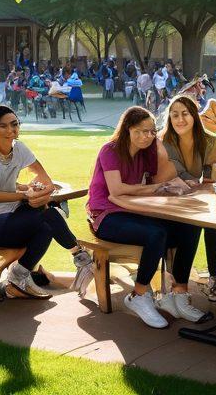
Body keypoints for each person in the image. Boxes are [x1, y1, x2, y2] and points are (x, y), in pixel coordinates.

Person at [87, 105, 206, 327]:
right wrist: (157, 188)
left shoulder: (147, 151)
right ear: (127, 129)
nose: (146, 136)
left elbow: (165, 174)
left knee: (189, 227)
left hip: (133, 212)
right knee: (156, 234)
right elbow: (117, 190)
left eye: (151, 131)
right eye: (140, 131)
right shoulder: (110, 150)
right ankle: (138, 295)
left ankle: (178, 293)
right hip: (105, 216)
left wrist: (175, 176)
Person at [0, 104, 93, 299]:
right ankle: (83, 260)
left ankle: (19, 277)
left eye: (14, 124)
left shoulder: (19, 148)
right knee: (47, 216)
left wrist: (39, 193)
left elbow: (46, 181)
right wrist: (26, 195)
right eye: (3, 126)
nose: (11, 130)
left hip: (13, 216)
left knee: (49, 220)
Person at [161, 95, 216, 303]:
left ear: (194, 116)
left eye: (185, 114)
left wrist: (202, 187)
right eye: (175, 115)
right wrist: (194, 185)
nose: (180, 120)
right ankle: (176, 284)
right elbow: (174, 173)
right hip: (170, 194)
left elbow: (209, 175)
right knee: (190, 224)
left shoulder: (210, 140)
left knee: (213, 223)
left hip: (197, 192)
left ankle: (214, 278)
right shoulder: (164, 140)